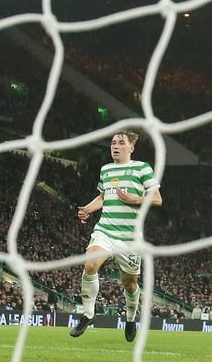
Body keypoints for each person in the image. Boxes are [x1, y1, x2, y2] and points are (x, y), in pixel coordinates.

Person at [69, 130, 162, 343]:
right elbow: (103, 196)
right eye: (113, 143)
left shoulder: (142, 168)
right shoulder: (106, 170)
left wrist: (134, 198)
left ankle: (130, 318)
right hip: (106, 230)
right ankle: (88, 315)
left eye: (121, 143)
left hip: (129, 238)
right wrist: (88, 209)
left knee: (129, 284)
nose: (115, 146)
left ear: (131, 148)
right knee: (90, 265)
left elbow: (156, 199)